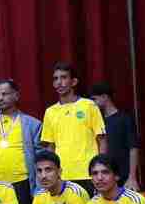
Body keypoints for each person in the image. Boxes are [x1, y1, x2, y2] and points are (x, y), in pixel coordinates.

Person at [40, 62, 106, 195]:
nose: (59, 82)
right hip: (62, 176)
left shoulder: (89, 105)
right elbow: (50, 147)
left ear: (74, 81)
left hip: (88, 173)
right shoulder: (50, 112)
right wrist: (52, 174)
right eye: (56, 79)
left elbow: (102, 140)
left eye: (64, 77)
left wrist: (101, 170)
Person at [0, 79, 42, 204]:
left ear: (16, 96)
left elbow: (40, 158)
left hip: (21, 183)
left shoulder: (32, 124)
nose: (0, 98)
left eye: (5, 94)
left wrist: (39, 187)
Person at [89, 82, 140, 189]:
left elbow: (133, 148)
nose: (92, 104)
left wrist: (132, 177)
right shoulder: (97, 120)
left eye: (94, 99)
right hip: (102, 176)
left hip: (124, 177)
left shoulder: (124, 119)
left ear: (105, 97)